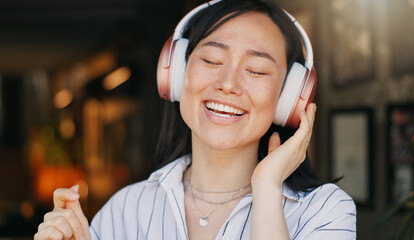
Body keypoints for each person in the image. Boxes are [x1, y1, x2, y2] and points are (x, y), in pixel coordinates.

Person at [34, 0, 356, 239]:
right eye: (212, 60)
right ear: (175, 75)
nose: (228, 84)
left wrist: (268, 187)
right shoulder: (125, 211)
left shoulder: (325, 212)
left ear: (289, 99)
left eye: (256, 70)